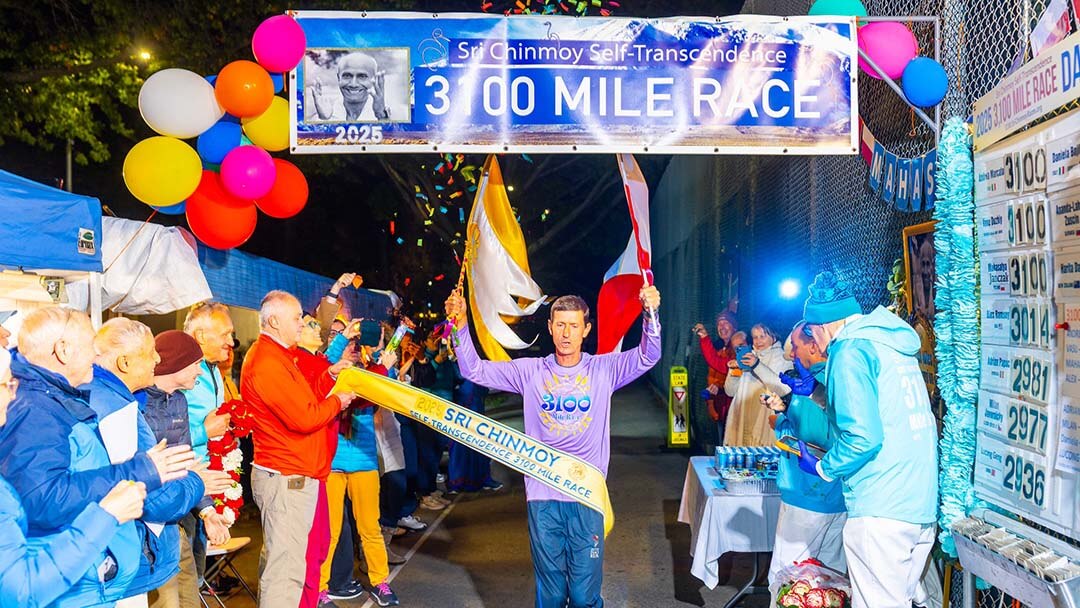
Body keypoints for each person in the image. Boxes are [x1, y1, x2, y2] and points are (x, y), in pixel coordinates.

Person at [445, 283, 661, 608]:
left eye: (574, 326)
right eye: (560, 324)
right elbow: (473, 369)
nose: (566, 333)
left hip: (586, 496)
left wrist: (650, 314)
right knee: (552, 594)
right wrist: (460, 325)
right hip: (543, 496)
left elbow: (648, 355)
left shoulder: (604, 369)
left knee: (586, 594)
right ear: (550, 327)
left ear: (586, 329)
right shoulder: (530, 371)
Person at [0, 307, 195, 607]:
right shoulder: (36, 409)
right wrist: (137, 473)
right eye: (91, 345)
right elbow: (43, 498)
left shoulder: (52, 398)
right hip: (72, 585)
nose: (96, 356)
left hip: (82, 577)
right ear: (63, 350)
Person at [796, 272, 938, 608]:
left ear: (820, 324)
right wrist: (819, 393)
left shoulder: (849, 349)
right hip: (917, 504)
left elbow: (863, 437)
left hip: (880, 507)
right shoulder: (889, 342)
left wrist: (822, 467)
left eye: (811, 330)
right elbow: (880, 411)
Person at [88, 318, 231, 608]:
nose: (157, 358)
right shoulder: (118, 408)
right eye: (150, 351)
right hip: (136, 544)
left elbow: (178, 461)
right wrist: (197, 481)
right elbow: (150, 491)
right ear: (125, 362)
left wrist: (204, 507)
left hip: (165, 531)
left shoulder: (148, 401)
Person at [0, 347, 151, 607]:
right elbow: (20, 591)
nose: (12, 394)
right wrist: (106, 515)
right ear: (62, 349)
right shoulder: (37, 414)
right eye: (6, 384)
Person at [240, 291, 357, 608]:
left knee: (289, 565)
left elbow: (303, 400)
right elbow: (305, 417)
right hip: (286, 475)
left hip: (294, 473)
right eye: (296, 319)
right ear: (274, 321)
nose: (302, 324)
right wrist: (338, 400)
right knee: (286, 572)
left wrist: (327, 378)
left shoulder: (278, 355)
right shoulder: (266, 361)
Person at [140, 330, 235, 608]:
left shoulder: (179, 400)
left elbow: (186, 462)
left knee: (189, 599)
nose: (200, 372)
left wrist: (206, 511)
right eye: (195, 364)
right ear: (176, 364)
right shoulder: (138, 404)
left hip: (177, 521)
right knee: (168, 601)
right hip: (151, 526)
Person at [761, 323, 846, 592]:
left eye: (797, 346)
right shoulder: (838, 377)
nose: (794, 354)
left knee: (788, 581)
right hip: (836, 496)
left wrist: (780, 422)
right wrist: (785, 411)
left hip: (807, 495)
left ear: (814, 345)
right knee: (830, 585)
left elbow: (809, 440)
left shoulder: (813, 385)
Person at [181, 301, 235, 462]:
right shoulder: (178, 370)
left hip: (211, 468)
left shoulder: (214, 368)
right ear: (201, 336)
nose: (231, 342)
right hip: (187, 472)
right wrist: (204, 432)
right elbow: (158, 435)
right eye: (225, 334)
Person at [722, 323, 790, 446]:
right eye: (755, 337)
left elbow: (781, 389)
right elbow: (730, 392)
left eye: (762, 336)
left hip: (765, 422)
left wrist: (756, 365)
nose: (758, 341)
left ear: (773, 336)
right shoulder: (748, 356)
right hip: (743, 420)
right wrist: (734, 371)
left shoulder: (782, 358)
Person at [693, 311, 739, 444]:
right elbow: (713, 375)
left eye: (726, 323)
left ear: (734, 327)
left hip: (732, 405)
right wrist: (711, 403)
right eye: (719, 323)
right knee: (721, 442)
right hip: (719, 405)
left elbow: (720, 365)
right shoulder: (719, 347)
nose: (722, 326)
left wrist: (704, 338)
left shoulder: (739, 351)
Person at [310, 53, 389, 121]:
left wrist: (381, 115)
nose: (353, 84)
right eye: (347, 76)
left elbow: (393, 136)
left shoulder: (384, 114)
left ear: (374, 79)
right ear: (338, 78)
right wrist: (324, 120)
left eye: (362, 76)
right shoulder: (325, 112)